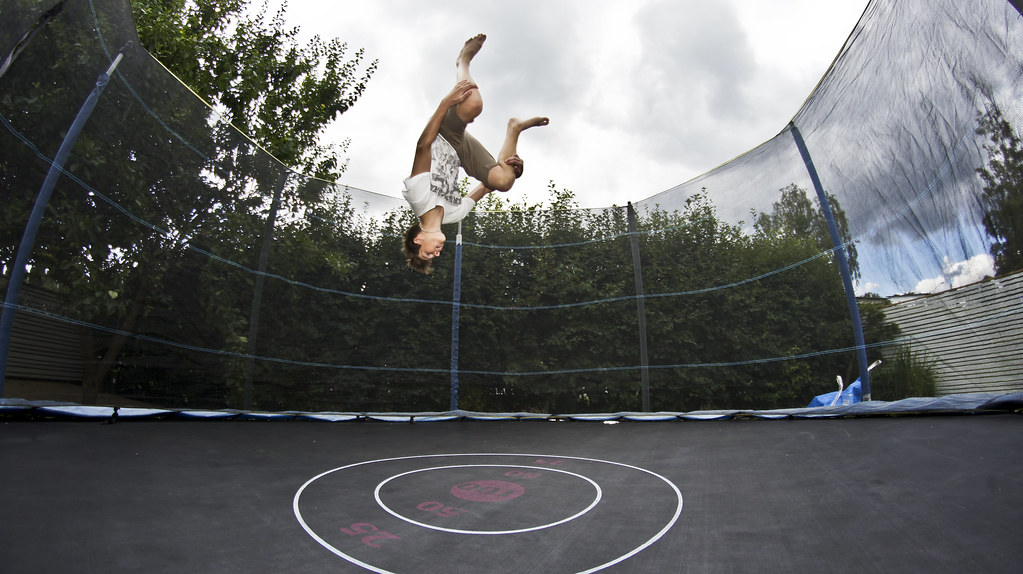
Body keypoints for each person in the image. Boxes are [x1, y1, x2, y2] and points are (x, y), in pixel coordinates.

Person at [402, 34, 549, 274]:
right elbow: (487, 187)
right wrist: (513, 171)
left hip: (441, 135)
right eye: (435, 257)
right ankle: (515, 128)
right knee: (504, 181)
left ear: (418, 240)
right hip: (461, 153)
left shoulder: (419, 199)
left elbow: (423, 146)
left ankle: (463, 61)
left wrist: (447, 101)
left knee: (472, 104)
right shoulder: (453, 215)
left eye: (429, 253)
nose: (437, 252)